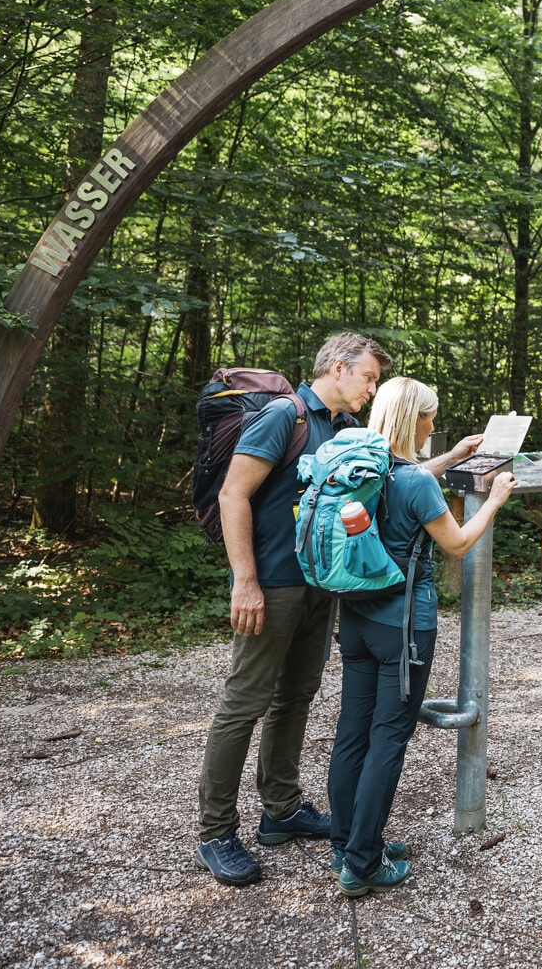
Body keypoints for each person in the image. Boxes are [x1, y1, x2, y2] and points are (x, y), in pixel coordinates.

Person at [194, 332, 392, 886]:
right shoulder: (287, 415)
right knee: (244, 703)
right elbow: (234, 494)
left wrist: (454, 458)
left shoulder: (344, 429)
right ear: (336, 366)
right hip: (272, 584)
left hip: (319, 586)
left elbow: (389, 479)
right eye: (369, 377)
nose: (372, 390)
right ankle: (215, 832)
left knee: (296, 697)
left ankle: (280, 811)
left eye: (376, 381)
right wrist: (245, 582)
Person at [327, 377, 506, 897]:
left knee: (352, 733)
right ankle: (362, 864)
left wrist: (450, 455)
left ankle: (349, 842)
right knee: (388, 739)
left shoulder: (361, 467)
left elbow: (413, 477)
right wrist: (493, 499)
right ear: (417, 420)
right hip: (404, 628)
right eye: (431, 416)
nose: (434, 423)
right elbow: (456, 543)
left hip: (356, 619)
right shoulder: (415, 482)